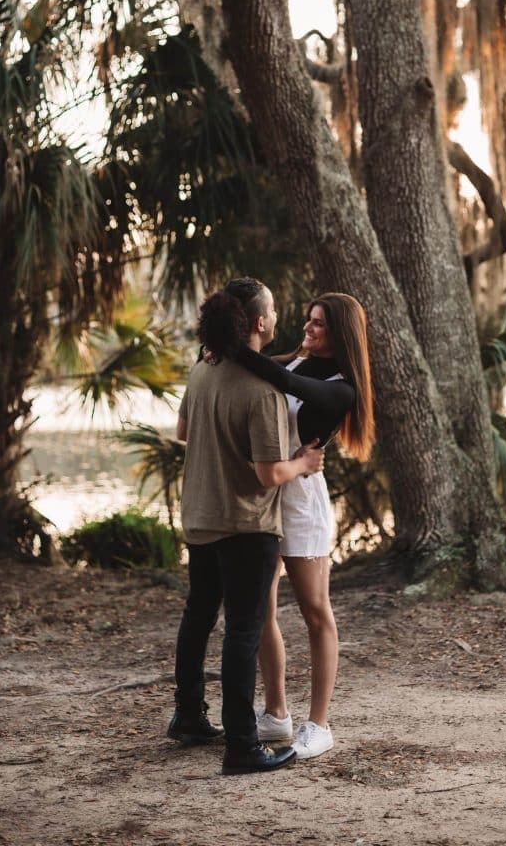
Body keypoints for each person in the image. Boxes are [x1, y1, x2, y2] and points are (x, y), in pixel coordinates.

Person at [167, 277, 325, 776]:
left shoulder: (202, 370)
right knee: (243, 630)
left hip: (199, 517)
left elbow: (183, 433)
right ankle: (242, 746)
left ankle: (188, 716)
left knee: (198, 617)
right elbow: (268, 474)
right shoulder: (262, 392)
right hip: (247, 524)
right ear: (258, 323)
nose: (280, 317)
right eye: (274, 310)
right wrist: (303, 463)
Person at [235, 292, 375, 760]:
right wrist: (221, 350)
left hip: (300, 504)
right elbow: (260, 370)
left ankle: (319, 725)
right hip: (266, 492)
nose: (308, 329)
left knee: (316, 612)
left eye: (319, 325)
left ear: (341, 336)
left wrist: (237, 347)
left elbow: (274, 378)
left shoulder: (341, 387)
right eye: (308, 321)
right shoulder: (294, 362)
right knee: (261, 608)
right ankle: (276, 715)